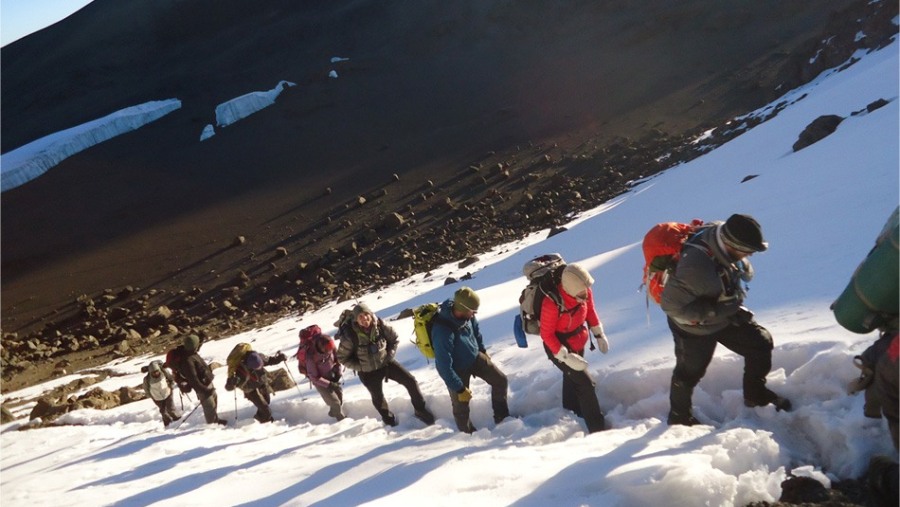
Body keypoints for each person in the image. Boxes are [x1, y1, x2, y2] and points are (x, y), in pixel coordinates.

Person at [660, 213, 790, 426]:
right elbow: (672, 306)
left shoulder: (720, 233)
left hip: (725, 312)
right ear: (730, 244)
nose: (750, 255)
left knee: (760, 343)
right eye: (747, 251)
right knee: (689, 373)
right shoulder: (695, 268)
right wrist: (716, 311)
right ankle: (679, 418)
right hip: (694, 328)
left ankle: (755, 394)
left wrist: (727, 306)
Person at [336, 302, 435, 426]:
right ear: (356, 320)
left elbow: (394, 340)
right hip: (368, 372)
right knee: (378, 397)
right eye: (360, 317)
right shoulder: (351, 336)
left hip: (386, 363)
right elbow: (342, 358)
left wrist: (389, 355)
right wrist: (361, 367)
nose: (364, 318)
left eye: (366, 314)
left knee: (410, 381)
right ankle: (388, 420)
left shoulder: (381, 326)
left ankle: (420, 410)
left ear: (371, 315)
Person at [538, 264, 610, 433]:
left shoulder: (584, 291)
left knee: (573, 378)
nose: (585, 296)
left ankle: (571, 410)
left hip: (578, 339)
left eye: (586, 291)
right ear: (570, 290)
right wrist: (565, 357)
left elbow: (590, 310)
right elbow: (547, 335)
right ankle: (597, 428)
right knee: (586, 383)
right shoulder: (551, 303)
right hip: (558, 346)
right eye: (581, 294)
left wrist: (598, 334)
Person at [431, 287, 510, 433]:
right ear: (461, 308)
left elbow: (476, 332)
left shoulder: (468, 316)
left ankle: (502, 418)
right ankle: (467, 436)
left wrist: (483, 351)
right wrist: (459, 388)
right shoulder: (442, 331)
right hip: (457, 369)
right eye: (472, 311)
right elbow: (443, 366)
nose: (474, 314)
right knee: (461, 405)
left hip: (474, 357)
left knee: (500, 381)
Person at [168, 334, 227, 426]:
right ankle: (213, 425)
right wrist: (204, 390)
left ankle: (215, 419)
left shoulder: (190, 352)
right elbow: (193, 379)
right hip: (202, 386)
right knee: (209, 405)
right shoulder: (187, 361)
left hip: (206, 382)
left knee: (214, 400)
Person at [225, 348, 287, 423]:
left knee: (266, 401)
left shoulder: (259, 357)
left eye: (260, 366)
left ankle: (259, 419)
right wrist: (232, 382)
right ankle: (264, 422)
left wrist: (279, 358)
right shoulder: (240, 370)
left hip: (260, 383)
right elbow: (228, 387)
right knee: (266, 411)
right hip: (250, 390)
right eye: (257, 368)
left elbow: (270, 360)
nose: (259, 368)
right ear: (250, 366)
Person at [299, 329, 346, 422]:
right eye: (326, 350)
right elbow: (314, 377)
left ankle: (333, 412)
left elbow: (337, 361)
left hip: (332, 375)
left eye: (330, 350)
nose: (329, 351)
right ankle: (342, 421)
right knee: (335, 402)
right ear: (320, 347)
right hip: (320, 381)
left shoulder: (330, 346)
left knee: (339, 398)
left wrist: (338, 373)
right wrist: (329, 384)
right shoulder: (311, 356)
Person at [141, 360, 181, 427]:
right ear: (150, 372)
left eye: (157, 371)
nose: (156, 373)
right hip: (157, 398)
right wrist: (151, 396)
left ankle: (178, 420)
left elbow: (171, 379)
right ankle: (168, 425)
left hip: (168, 393)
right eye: (154, 372)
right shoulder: (147, 379)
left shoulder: (164, 372)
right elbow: (146, 389)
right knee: (163, 412)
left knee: (171, 409)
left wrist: (171, 387)